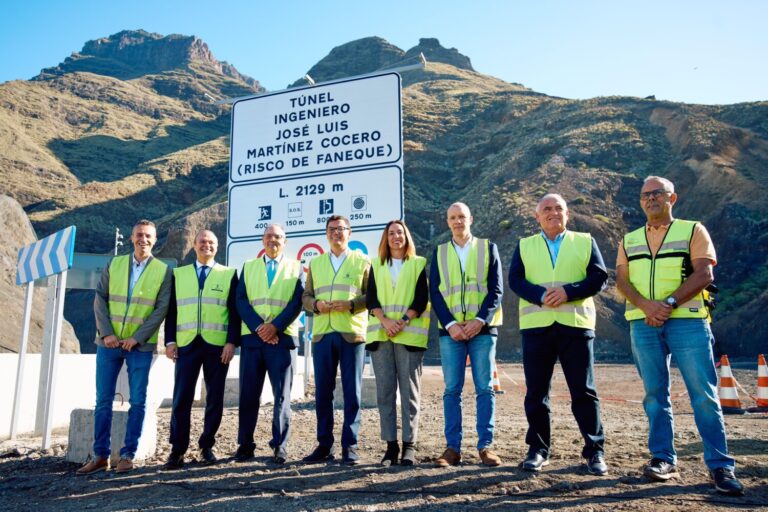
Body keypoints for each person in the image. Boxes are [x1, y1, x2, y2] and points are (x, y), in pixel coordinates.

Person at [616, 176, 744, 496]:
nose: (651, 199)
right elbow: (622, 281)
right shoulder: (629, 239)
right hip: (644, 323)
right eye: (645, 195)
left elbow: (705, 273)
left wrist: (669, 304)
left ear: (673, 198)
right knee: (655, 395)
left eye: (658, 193)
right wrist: (647, 306)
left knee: (703, 394)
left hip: (687, 320)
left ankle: (720, 465)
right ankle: (663, 459)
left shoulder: (693, 230)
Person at [508, 194, 609, 475]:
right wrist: (541, 296)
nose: (553, 213)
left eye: (559, 209)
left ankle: (595, 451)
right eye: (547, 209)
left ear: (568, 214)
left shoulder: (585, 241)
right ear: (536, 216)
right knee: (537, 393)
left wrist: (568, 292)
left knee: (584, 392)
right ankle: (538, 450)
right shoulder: (524, 245)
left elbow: (599, 277)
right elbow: (515, 279)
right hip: (537, 328)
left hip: (575, 326)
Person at [77, 219, 172, 475]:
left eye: (148, 236)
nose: (144, 239)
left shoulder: (164, 271)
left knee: (138, 401)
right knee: (103, 401)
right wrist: (106, 333)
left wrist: (137, 338)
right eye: (139, 235)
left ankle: (128, 455)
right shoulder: (115, 263)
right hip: (108, 344)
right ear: (132, 238)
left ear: (155, 239)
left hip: (139, 347)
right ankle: (100, 456)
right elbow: (101, 299)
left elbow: (160, 310)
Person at [430, 202, 503, 467]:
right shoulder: (438, 253)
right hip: (451, 333)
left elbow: (496, 290)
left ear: (471, 218)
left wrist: (479, 321)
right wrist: (450, 324)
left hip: (482, 330)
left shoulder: (488, 248)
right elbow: (435, 293)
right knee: (452, 390)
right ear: (447, 222)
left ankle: (486, 447)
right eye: (453, 217)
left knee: (484, 388)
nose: (458, 221)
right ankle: (453, 449)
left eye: (462, 216)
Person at [163, 230, 239, 469]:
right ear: (194, 245)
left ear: (217, 247)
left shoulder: (228, 274)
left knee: (214, 398)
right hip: (186, 345)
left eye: (212, 242)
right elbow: (171, 310)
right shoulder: (179, 274)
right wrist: (170, 341)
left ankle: (207, 445)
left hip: (217, 346)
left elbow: (235, 312)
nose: (207, 245)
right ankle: (178, 449)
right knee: (181, 399)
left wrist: (231, 342)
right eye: (203, 241)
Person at [302, 215, 370, 465]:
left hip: (351, 334)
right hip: (322, 335)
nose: (336, 233)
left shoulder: (363, 261)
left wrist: (351, 304)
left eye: (341, 229)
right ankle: (324, 445)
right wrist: (316, 305)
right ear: (326, 234)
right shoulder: (316, 263)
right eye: (331, 230)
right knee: (322, 393)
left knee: (352, 392)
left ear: (349, 233)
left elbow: (371, 296)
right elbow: (306, 296)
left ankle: (350, 446)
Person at [235, 224, 303, 464]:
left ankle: (280, 446)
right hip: (254, 341)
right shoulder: (249, 267)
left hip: (282, 341)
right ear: (262, 241)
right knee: (248, 395)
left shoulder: (296, 268)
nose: (273, 240)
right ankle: (245, 445)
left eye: (278, 237)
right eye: (268, 236)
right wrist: (259, 328)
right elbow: (240, 300)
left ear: (285, 241)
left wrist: (275, 327)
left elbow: (297, 302)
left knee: (282, 396)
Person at [366, 220, 430, 466]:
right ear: (386, 238)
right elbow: (371, 298)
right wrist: (385, 322)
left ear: (406, 236)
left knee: (409, 393)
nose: (396, 237)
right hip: (382, 337)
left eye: (400, 232)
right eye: (391, 233)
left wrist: (401, 321)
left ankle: (409, 446)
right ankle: (390, 446)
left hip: (409, 336)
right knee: (385, 393)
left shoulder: (418, 264)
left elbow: (421, 298)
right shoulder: (376, 264)